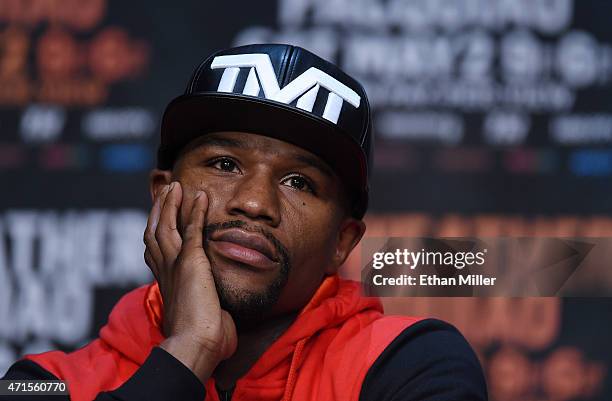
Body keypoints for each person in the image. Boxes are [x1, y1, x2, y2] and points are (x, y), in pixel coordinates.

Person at [1, 44, 487, 401]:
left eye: (299, 182)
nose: (255, 204)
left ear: (343, 241)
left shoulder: (410, 364)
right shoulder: (43, 381)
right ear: (161, 194)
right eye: (224, 164)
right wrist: (191, 349)